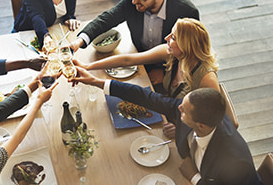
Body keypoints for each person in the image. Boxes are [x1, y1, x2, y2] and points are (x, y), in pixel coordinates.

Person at [68, 67, 267, 185]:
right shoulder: (194, 114)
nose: (177, 108)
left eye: (183, 111)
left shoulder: (235, 159)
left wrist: (195, 178)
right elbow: (148, 98)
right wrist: (96, 81)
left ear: (201, 126)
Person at [75, 18, 219, 138]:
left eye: (173, 37)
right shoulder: (173, 53)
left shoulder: (206, 78)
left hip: (184, 129)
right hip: (166, 114)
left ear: (187, 46)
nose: (166, 38)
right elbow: (128, 60)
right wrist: (87, 67)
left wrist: (185, 130)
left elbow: (220, 122)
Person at [70, 0, 199, 54]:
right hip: (137, 57)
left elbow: (190, 52)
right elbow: (108, 18)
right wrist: (80, 41)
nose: (134, 1)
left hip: (166, 67)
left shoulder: (186, 12)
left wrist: (166, 75)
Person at [12, 0, 80, 49]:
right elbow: (36, 16)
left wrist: (70, 17)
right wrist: (45, 36)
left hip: (56, 29)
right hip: (29, 31)